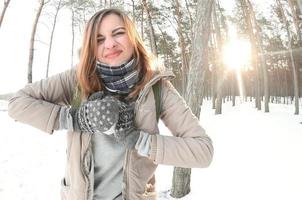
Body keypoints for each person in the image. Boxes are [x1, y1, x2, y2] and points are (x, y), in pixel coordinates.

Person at [8, 8, 213, 200]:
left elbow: (203, 151)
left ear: (133, 37)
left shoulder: (158, 88)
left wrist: (139, 140)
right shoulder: (77, 79)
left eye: (118, 33)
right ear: (92, 47)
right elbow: (18, 103)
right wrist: (77, 119)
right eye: (99, 39)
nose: (110, 44)